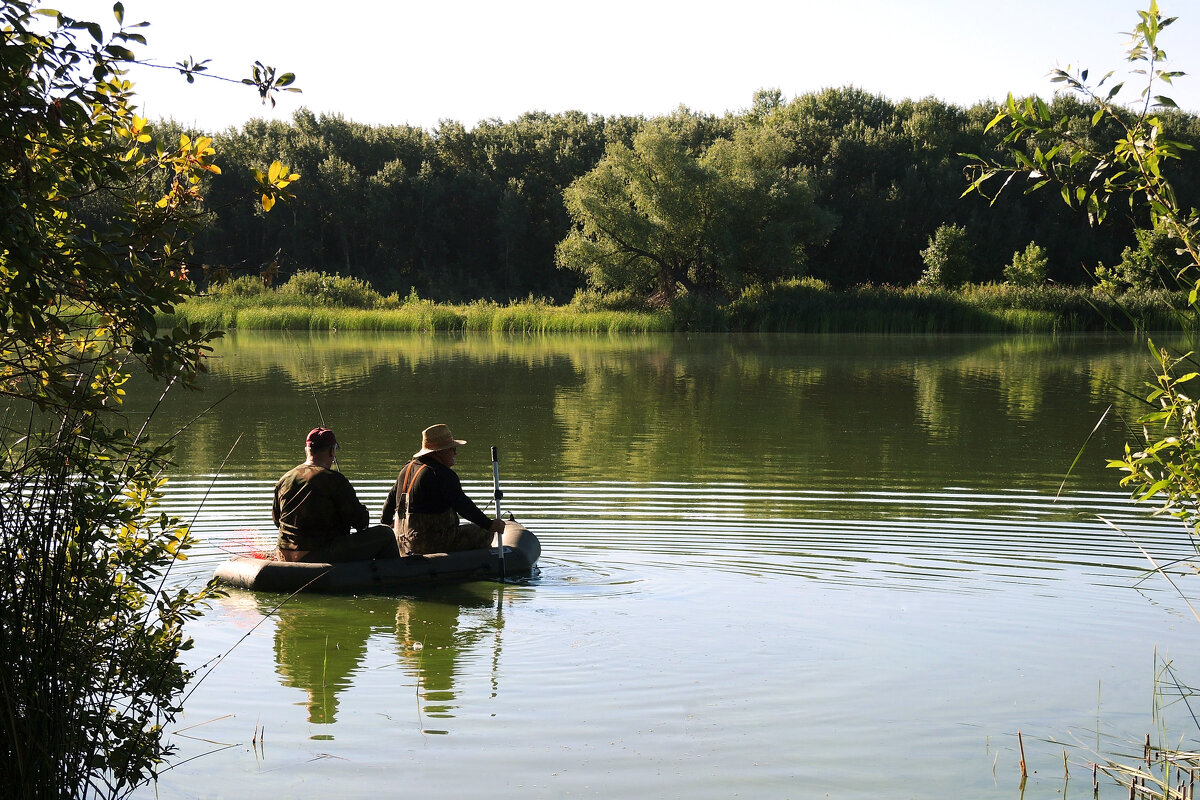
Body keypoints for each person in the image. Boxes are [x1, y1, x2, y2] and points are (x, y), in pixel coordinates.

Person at [274, 427, 400, 562]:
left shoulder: (285, 479)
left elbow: (277, 521)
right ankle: (392, 580)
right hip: (316, 556)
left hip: (284, 556)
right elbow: (361, 524)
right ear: (331, 451)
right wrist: (363, 510)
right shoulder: (335, 480)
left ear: (307, 450)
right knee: (385, 534)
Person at [381, 423, 506, 556]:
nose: (455, 453)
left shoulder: (406, 469)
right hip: (432, 544)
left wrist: (388, 522)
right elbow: (463, 505)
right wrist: (489, 524)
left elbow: (389, 502)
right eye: (452, 449)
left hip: (402, 543)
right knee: (485, 533)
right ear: (439, 451)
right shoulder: (442, 474)